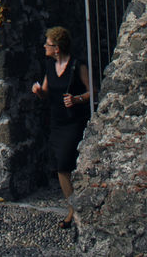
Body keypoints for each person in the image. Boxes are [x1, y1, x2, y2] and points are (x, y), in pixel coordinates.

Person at [32, 26, 91, 228]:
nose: (44, 47)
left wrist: (77, 99)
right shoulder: (50, 66)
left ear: (57, 48)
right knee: (60, 165)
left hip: (73, 121)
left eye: (47, 44)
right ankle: (72, 207)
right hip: (56, 121)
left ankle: (77, 208)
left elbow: (92, 91)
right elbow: (47, 92)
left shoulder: (78, 65)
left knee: (65, 162)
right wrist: (39, 91)